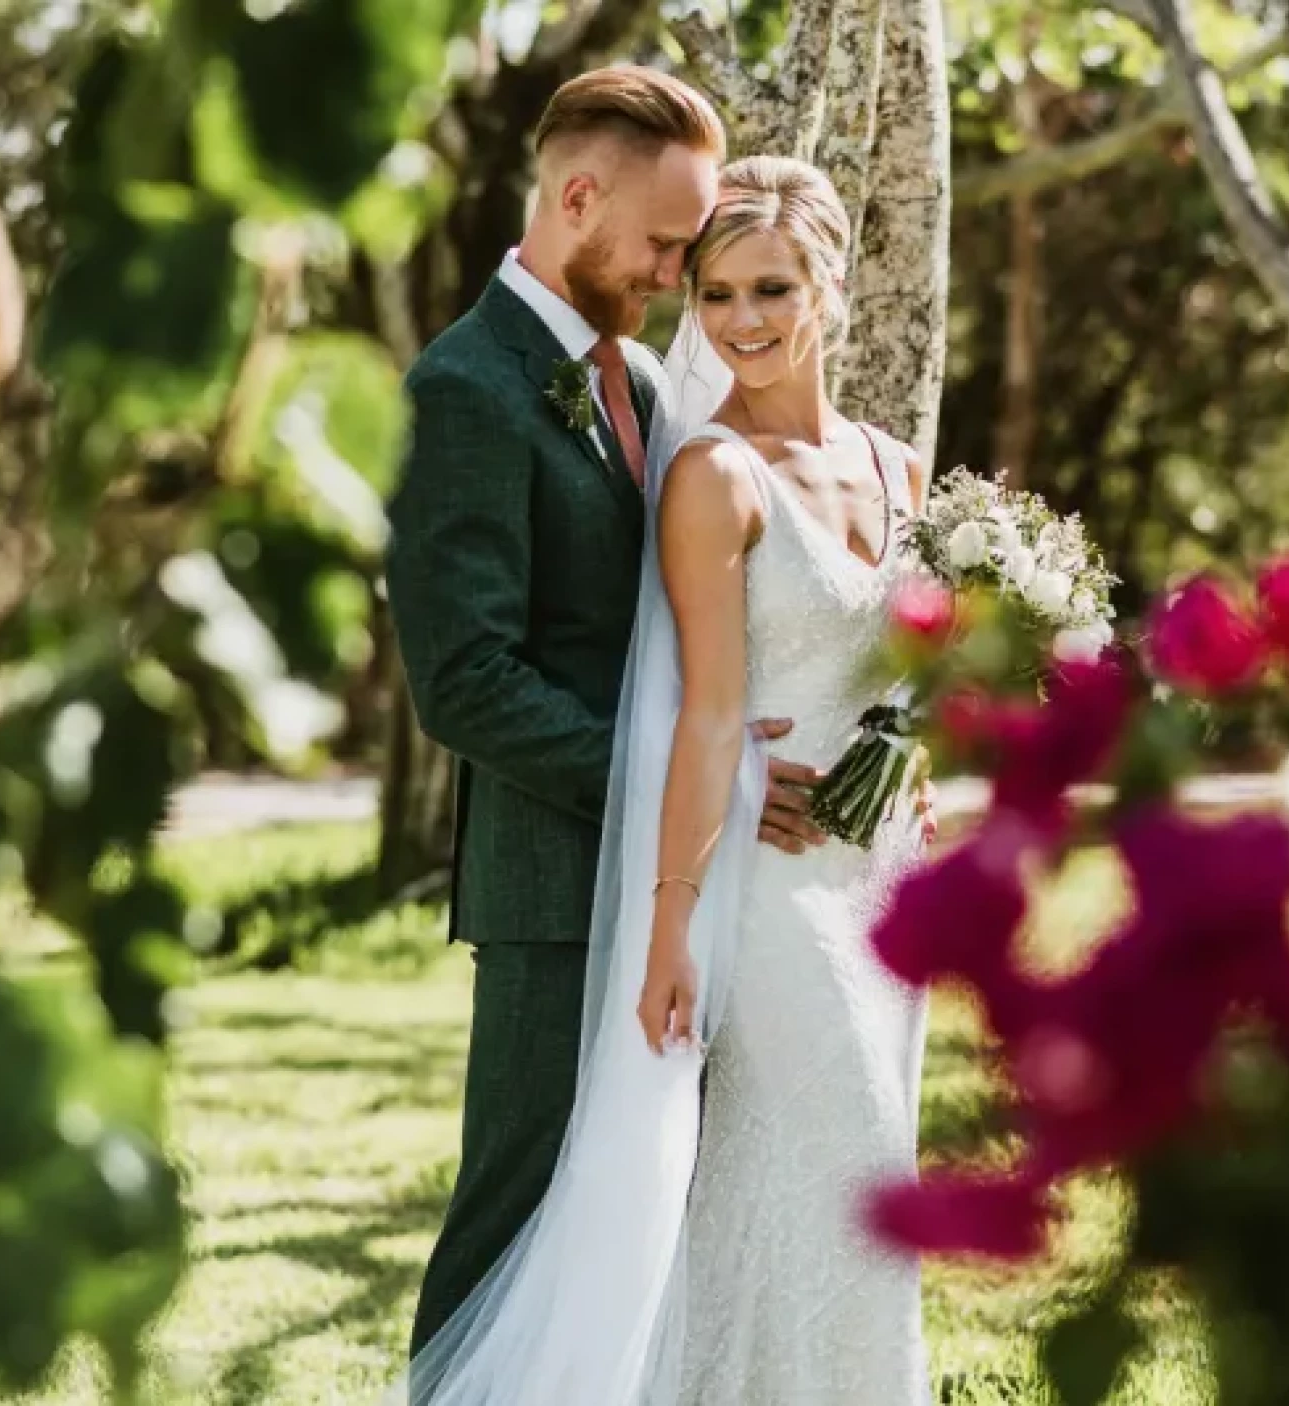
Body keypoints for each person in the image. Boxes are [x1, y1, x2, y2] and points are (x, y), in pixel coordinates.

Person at [386, 149, 934, 1406]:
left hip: (875, 884)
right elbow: (701, 711)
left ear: (834, 286)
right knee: (818, 1152)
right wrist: (678, 908)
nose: (740, 322)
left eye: (772, 290)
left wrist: (919, 760)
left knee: (842, 1187)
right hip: (755, 878)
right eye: (718, 294)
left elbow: (902, 672)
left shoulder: (897, 471)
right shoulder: (709, 471)